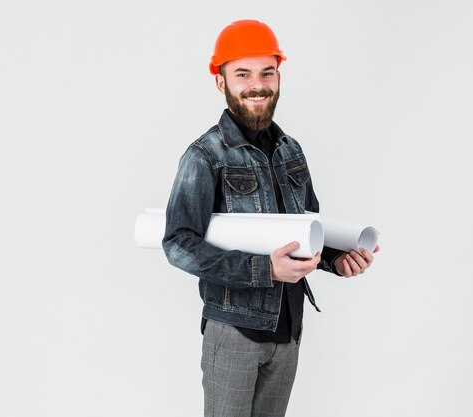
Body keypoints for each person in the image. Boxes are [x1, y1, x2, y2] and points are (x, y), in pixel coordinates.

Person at [162, 20, 379, 417]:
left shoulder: (291, 150)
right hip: (233, 333)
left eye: (267, 73)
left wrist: (336, 259)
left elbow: (307, 228)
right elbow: (178, 243)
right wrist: (264, 269)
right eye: (242, 74)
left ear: (279, 76)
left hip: (288, 332)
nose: (257, 84)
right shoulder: (204, 156)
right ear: (220, 81)